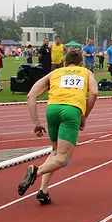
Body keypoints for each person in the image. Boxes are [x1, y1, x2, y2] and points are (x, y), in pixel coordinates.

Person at [17, 50, 98, 204]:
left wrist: (36, 123)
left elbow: (31, 95)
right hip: (71, 110)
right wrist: (84, 116)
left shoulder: (55, 73)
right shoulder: (86, 72)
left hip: (52, 109)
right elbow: (94, 92)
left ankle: (43, 190)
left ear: (65, 62)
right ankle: (36, 172)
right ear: (80, 62)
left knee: (55, 153)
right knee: (62, 159)